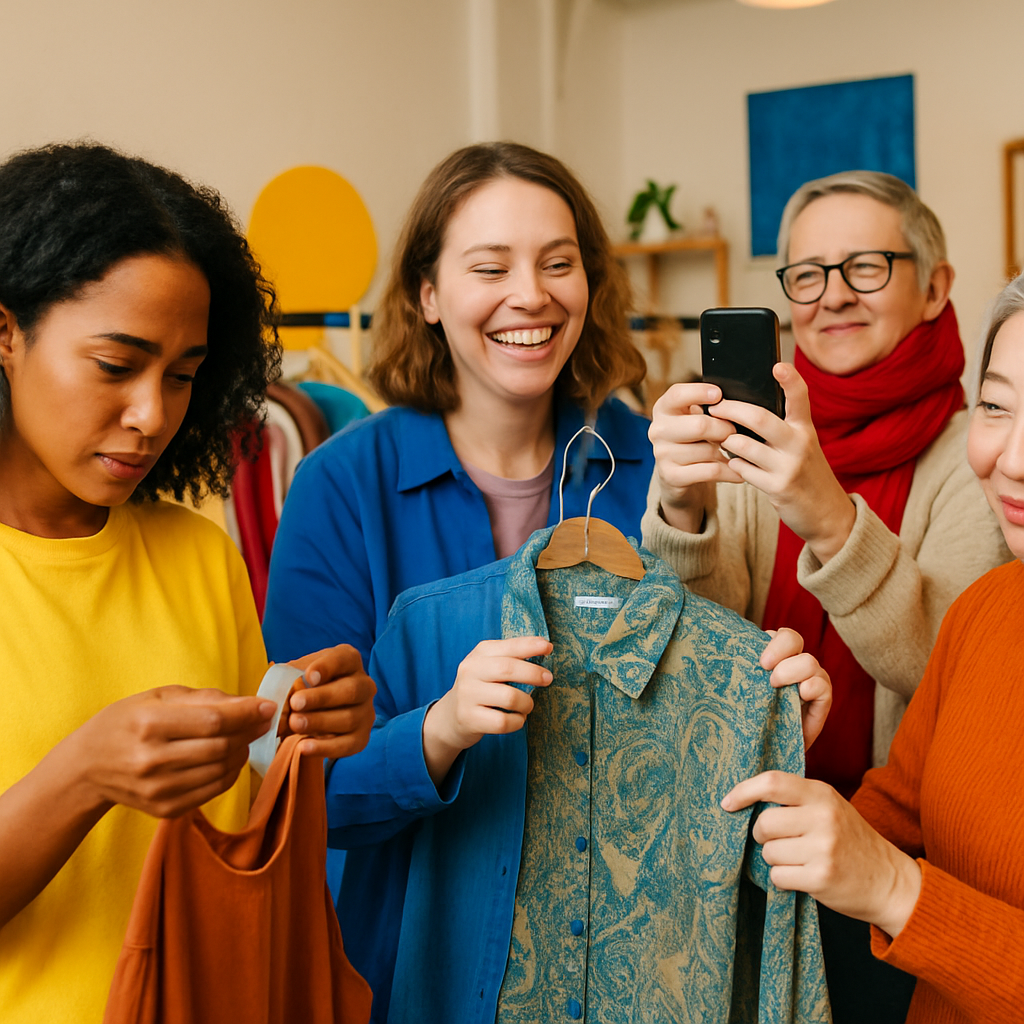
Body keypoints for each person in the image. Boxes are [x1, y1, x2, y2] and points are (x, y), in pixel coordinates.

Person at [0, 143, 376, 1023]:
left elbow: (240, 811)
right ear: (6, 334)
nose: (152, 416)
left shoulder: (198, 552)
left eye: (183, 376)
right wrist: (83, 774)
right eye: (115, 365)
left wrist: (310, 728)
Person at [644, 170, 1010, 797]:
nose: (833, 297)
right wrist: (685, 511)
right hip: (738, 815)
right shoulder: (750, 430)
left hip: (897, 839)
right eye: (808, 274)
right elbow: (693, 658)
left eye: (866, 267)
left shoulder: (982, 459)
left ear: (934, 288)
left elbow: (949, 681)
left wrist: (830, 519)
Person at [721, 272, 1024, 1024]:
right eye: (996, 406)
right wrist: (778, 749)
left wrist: (896, 888)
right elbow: (888, 814)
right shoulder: (988, 610)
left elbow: (884, 864)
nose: (1011, 458)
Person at [262, 141, 655, 671]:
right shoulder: (338, 486)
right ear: (428, 296)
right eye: (492, 269)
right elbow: (306, 745)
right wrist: (432, 733)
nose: (532, 295)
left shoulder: (656, 465)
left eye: (558, 263)